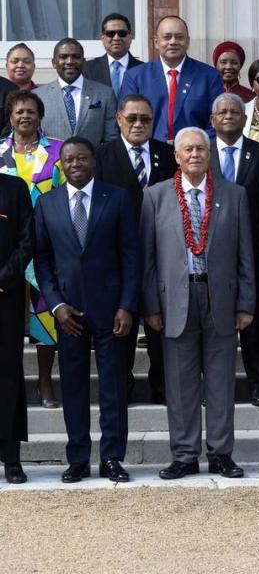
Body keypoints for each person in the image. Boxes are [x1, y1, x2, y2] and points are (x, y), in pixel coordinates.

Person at [140, 127, 254, 480]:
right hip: (174, 298)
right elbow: (147, 258)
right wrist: (151, 307)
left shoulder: (234, 195)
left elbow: (245, 253)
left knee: (220, 381)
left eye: (201, 149)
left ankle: (221, 453)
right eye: (187, 149)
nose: (194, 155)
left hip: (219, 296)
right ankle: (185, 454)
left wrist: (246, 302)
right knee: (180, 381)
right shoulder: (156, 196)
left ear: (210, 154)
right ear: (176, 156)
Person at [33, 137, 138, 483]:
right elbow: (43, 261)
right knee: (74, 386)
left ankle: (112, 457)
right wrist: (57, 304)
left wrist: (126, 305)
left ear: (93, 161)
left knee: (112, 387)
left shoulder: (118, 198)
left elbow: (130, 256)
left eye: (82, 157)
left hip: (111, 309)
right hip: (68, 311)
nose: (75, 163)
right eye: (69, 159)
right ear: (60, 165)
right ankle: (78, 457)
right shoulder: (47, 204)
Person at [95, 94, 176, 404]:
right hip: (117, 258)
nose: (139, 124)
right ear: (119, 120)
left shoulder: (168, 155)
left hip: (162, 255)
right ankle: (122, 391)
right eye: (132, 118)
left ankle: (162, 389)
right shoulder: (103, 156)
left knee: (161, 329)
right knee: (121, 331)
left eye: (145, 119)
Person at [1, 90, 63, 408]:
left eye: (31, 111)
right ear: (10, 116)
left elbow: (66, 195)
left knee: (44, 317)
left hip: (44, 244)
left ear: (40, 115)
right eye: (19, 112)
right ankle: (11, 387)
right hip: (7, 250)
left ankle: (44, 382)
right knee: (8, 320)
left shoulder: (58, 151)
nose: (25, 116)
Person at [209, 93, 259, 406]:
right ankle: (213, 389)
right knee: (212, 326)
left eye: (235, 111)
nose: (228, 116)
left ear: (245, 119)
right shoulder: (198, 152)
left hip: (252, 250)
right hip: (209, 253)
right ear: (212, 120)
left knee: (255, 325)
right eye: (222, 112)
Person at [119, 15, 224, 141]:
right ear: (156, 42)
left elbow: (218, 122)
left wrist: (194, 144)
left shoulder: (209, 76)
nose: (173, 42)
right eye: (167, 37)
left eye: (179, 37)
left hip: (193, 153)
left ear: (188, 41)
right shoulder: (135, 77)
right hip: (150, 153)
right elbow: (127, 122)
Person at [0, 173, 32, 484]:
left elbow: (27, 239)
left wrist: (3, 277)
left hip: (5, 297)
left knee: (8, 376)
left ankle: (11, 457)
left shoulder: (14, 188)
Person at [35, 37, 119, 145]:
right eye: (63, 57)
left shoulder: (105, 94)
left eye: (76, 57)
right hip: (51, 161)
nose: (70, 62)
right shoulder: (38, 96)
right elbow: (34, 138)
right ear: (54, 62)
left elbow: (111, 140)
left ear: (83, 62)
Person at [83, 13, 143, 99]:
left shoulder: (143, 69)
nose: (116, 38)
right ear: (102, 38)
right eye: (110, 33)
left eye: (122, 33)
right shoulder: (87, 69)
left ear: (130, 37)